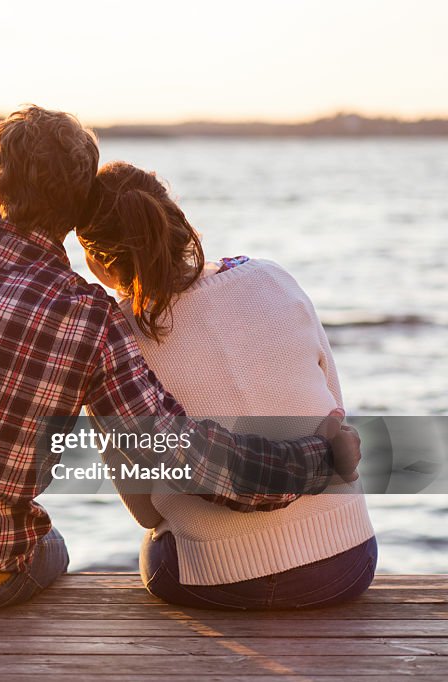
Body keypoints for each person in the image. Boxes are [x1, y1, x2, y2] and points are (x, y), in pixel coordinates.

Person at [0, 106, 360, 611]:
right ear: (76, 215)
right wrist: (313, 460)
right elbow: (185, 459)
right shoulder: (89, 318)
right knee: (54, 550)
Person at [79, 161, 376, 609]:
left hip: (216, 578)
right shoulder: (272, 277)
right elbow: (335, 413)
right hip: (347, 560)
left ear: (97, 260)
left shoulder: (112, 340)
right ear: (175, 218)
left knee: (153, 548)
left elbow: (144, 512)